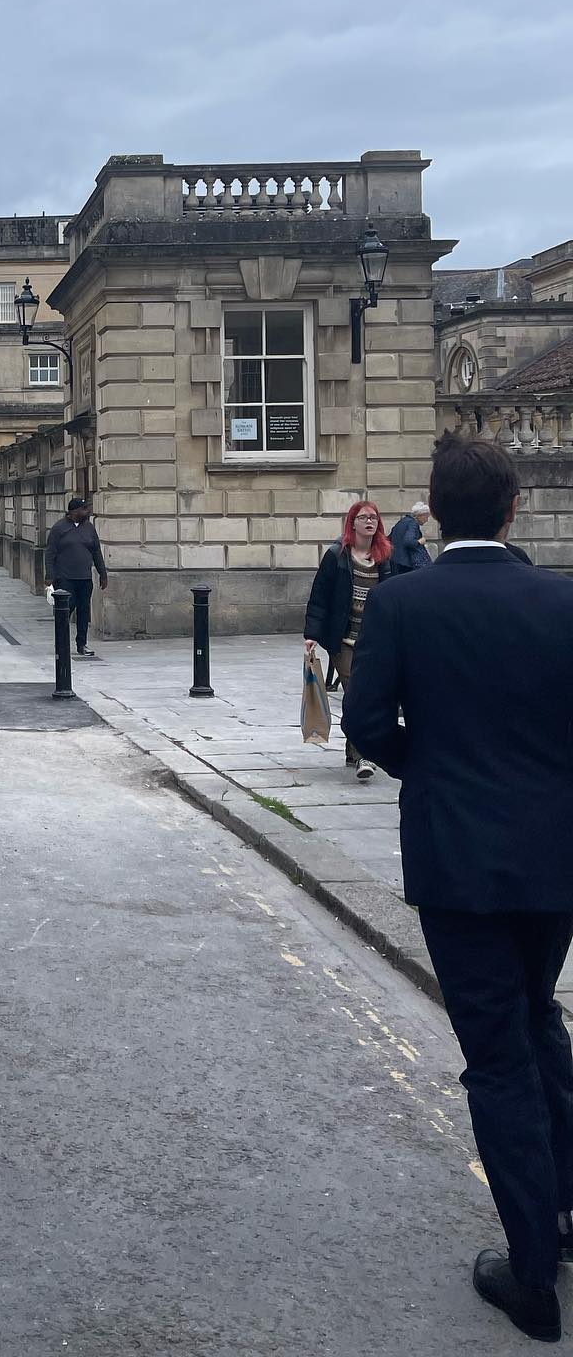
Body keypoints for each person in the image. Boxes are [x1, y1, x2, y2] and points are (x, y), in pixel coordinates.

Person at [344, 433, 573, 1344]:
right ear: (515, 507)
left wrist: (430, 770)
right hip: (556, 858)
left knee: (498, 1055)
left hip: (457, 860)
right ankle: (564, 1208)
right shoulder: (563, 599)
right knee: (537, 1016)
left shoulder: (406, 601)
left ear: (432, 512)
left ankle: (530, 1277)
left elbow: (365, 720)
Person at [303, 502, 393, 782]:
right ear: (352, 523)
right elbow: (320, 598)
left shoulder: (385, 556)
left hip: (375, 640)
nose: (370, 522)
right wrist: (312, 635)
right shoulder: (337, 555)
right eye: (364, 517)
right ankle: (365, 754)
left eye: (374, 517)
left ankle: (354, 750)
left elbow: (395, 597)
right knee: (357, 694)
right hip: (343, 640)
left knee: (372, 696)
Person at [44, 498, 108, 660]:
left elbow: (96, 552)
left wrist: (103, 573)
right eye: (84, 509)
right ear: (74, 511)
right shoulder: (59, 528)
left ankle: (82, 644)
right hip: (65, 578)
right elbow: (50, 553)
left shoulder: (89, 529)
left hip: (84, 578)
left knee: (84, 611)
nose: (87, 512)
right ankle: (61, 643)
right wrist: (49, 575)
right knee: (66, 610)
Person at [389, 501, 433, 574]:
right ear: (420, 515)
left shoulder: (402, 521)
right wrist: (420, 541)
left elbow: (390, 537)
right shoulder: (413, 523)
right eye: (426, 517)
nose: (427, 520)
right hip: (406, 564)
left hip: (394, 561)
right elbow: (409, 542)